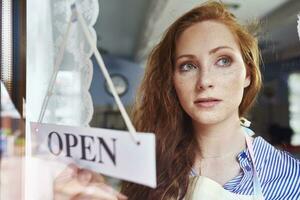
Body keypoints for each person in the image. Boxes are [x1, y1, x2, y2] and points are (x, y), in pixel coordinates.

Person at [55, 1, 300, 199]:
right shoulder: (149, 169)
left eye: (223, 61)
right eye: (188, 66)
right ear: (172, 79)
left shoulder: (291, 178)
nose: (205, 81)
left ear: (247, 73)